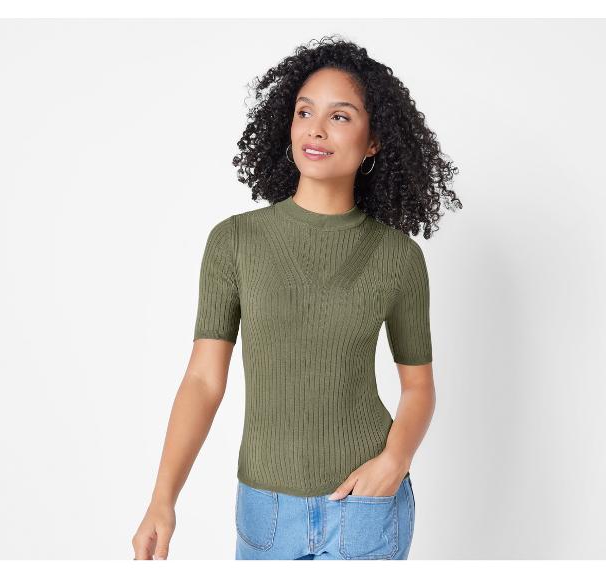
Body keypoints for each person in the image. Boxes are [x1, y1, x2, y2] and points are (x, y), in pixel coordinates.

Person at [132, 35, 462, 560]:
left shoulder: (397, 256)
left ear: (373, 141)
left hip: (366, 506)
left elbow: (418, 386)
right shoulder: (235, 241)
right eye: (305, 112)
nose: (315, 128)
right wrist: (162, 499)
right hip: (265, 511)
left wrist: (394, 461)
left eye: (340, 116)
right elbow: (203, 379)